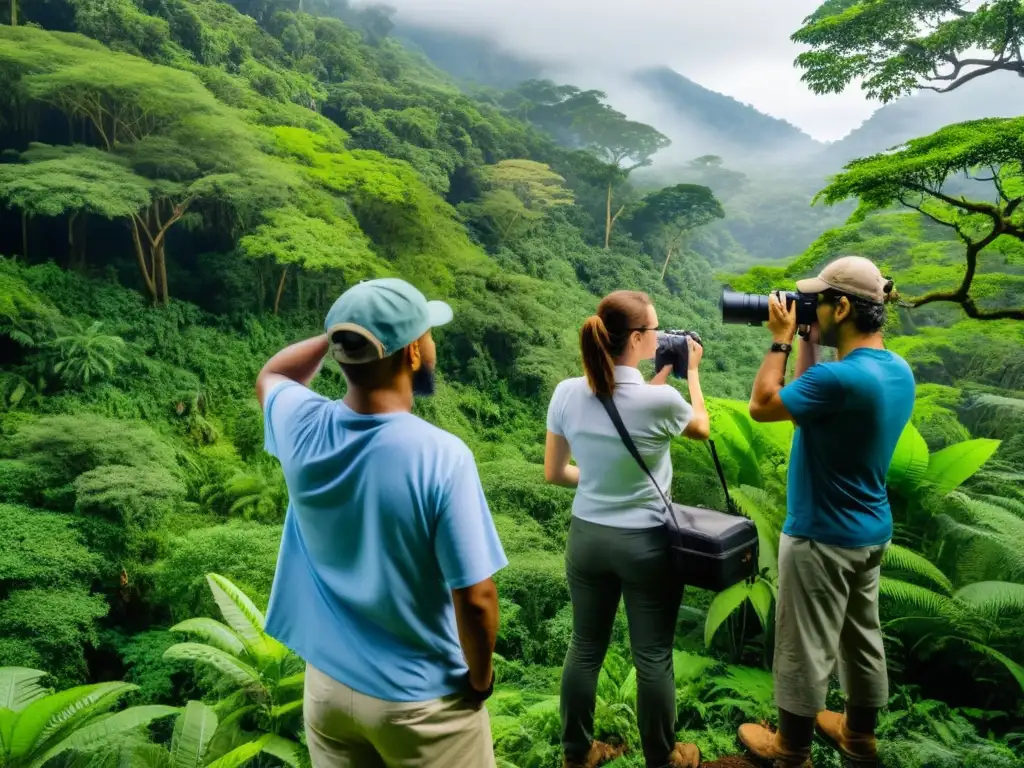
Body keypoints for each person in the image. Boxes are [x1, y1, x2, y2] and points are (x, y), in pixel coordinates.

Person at [255, 277, 509, 768]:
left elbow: (272, 374)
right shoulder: (442, 456)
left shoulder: (301, 425)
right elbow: (476, 600)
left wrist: (338, 338)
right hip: (418, 703)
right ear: (413, 353)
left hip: (327, 690)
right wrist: (480, 680)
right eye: (428, 334)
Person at [738, 256, 915, 768]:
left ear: (842, 306)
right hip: (869, 533)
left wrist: (781, 338)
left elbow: (765, 405)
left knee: (803, 645)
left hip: (820, 537)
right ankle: (859, 736)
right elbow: (809, 406)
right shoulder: (894, 370)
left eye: (818, 299)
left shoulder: (840, 381)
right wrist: (809, 341)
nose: (808, 306)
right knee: (862, 637)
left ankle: (790, 749)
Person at [544, 290, 711, 768]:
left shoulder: (566, 392)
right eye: (656, 331)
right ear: (637, 338)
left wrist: (599, 479)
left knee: (584, 648)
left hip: (588, 538)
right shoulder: (662, 402)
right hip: (646, 545)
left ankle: (576, 753)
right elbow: (699, 425)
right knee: (652, 656)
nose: (662, 337)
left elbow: (555, 473)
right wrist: (692, 371)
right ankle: (663, 758)